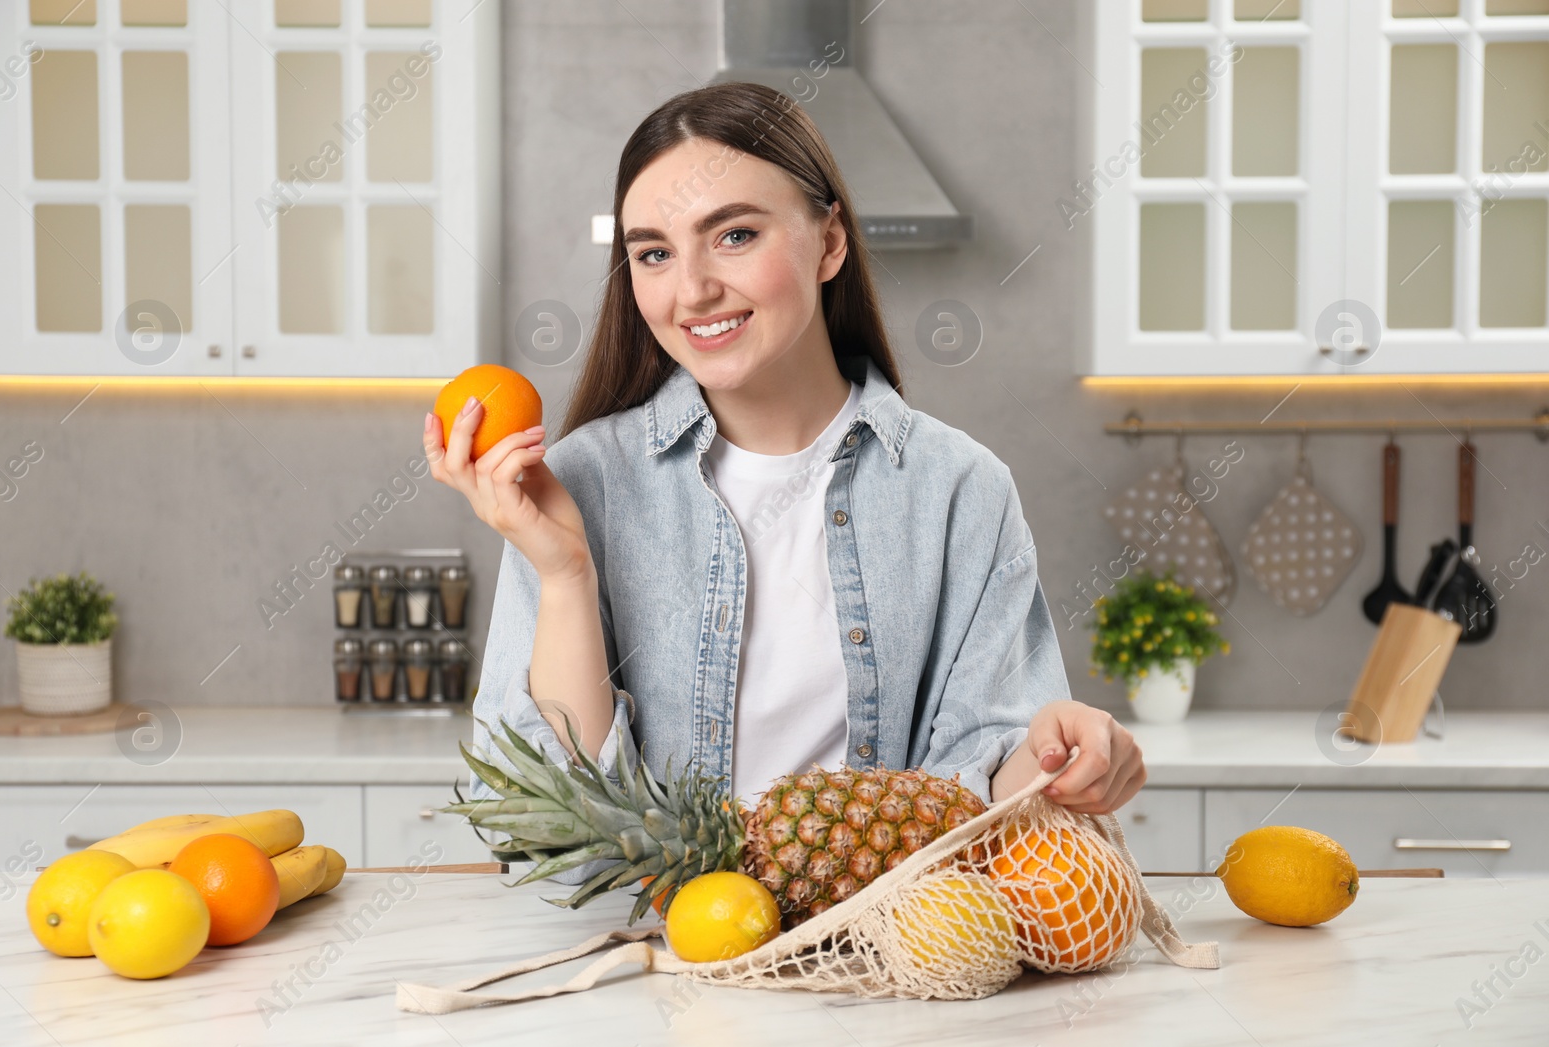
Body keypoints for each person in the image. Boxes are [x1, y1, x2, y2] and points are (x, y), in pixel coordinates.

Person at [422, 82, 1144, 881]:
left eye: (733, 235)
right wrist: (563, 575)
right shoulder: (579, 484)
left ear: (829, 241)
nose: (691, 289)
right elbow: (540, 837)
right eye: (653, 252)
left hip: (884, 967)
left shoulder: (960, 490)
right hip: (654, 966)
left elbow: (979, 796)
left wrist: (1061, 756)